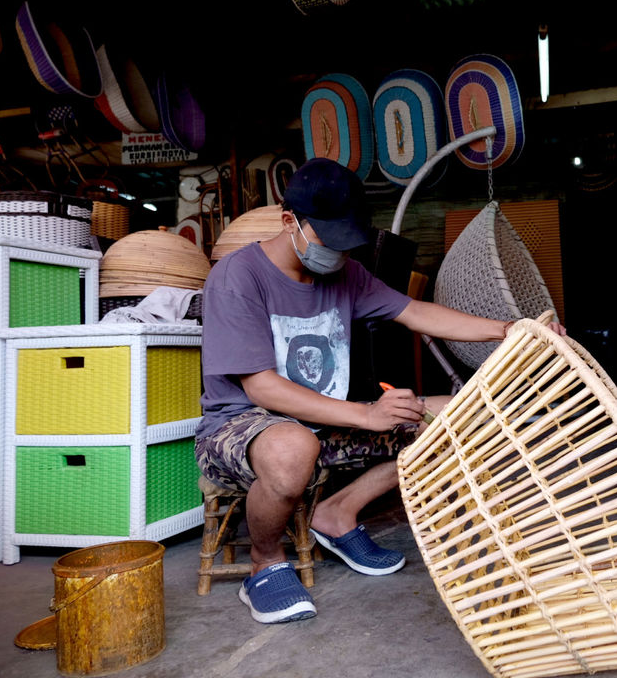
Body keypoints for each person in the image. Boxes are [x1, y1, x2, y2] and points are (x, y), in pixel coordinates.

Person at [196, 157, 564, 624]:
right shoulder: (237, 277)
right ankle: (265, 563)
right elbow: (263, 388)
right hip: (244, 426)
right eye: (330, 240)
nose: (339, 253)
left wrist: (510, 329)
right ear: (290, 221)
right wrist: (367, 413)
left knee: (460, 414)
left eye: (348, 242)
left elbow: (416, 312)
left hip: (328, 422)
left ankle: (336, 513)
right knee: (293, 449)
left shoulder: (346, 273)